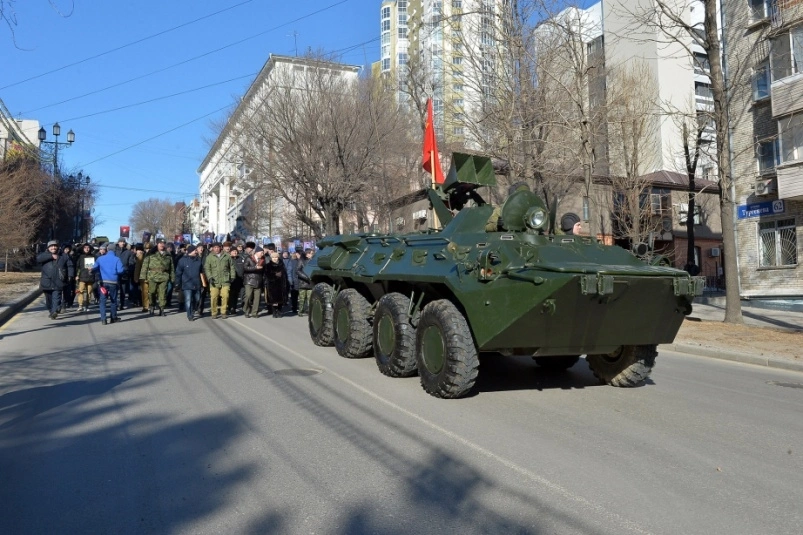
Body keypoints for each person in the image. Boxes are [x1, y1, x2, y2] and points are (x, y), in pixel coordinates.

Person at [37, 240, 73, 320]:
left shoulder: (64, 256)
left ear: (58, 247)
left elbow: (70, 266)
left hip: (59, 281)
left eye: (55, 246)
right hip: (47, 282)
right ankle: (51, 311)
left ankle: (54, 312)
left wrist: (70, 275)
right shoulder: (44, 255)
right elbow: (38, 259)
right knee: (49, 300)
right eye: (51, 246)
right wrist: (51, 256)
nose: (53, 247)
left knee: (56, 298)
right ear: (48, 248)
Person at [92, 243, 125, 325]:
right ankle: (113, 317)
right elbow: (120, 271)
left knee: (102, 301)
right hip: (113, 282)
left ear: (107, 250)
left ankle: (103, 319)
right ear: (114, 250)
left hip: (103, 283)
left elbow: (94, 268)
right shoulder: (117, 259)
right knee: (113, 301)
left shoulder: (100, 259)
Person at [142, 238, 175, 316]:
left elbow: (171, 267)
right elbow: (145, 265)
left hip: (164, 276)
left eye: (163, 243)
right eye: (160, 243)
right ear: (157, 244)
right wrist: (143, 276)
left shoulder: (168, 254)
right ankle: (152, 305)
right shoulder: (151, 253)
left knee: (162, 293)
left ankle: (162, 309)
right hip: (153, 276)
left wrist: (172, 277)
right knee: (152, 292)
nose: (162, 245)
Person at [203, 242, 235, 319]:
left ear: (220, 247)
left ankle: (223, 312)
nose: (216, 249)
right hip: (214, 280)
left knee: (225, 296)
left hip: (225, 280)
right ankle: (214, 312)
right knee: (214, 297)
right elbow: (207, 268)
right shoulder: (209, 257)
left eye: (218, 247)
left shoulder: (227, 256)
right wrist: (210, 277)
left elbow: (232, 267)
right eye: (215, 247)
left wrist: (233, 276)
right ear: (213, 248)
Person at [175, 244, 204, 321]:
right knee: (188, 300)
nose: (196, 251)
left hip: (197, 283)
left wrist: (203, 282)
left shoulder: (199, 260)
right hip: (186, 284)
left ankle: (194, 309)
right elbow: (178, 272)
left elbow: (202, 272)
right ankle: (189, 314)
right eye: (195, 250)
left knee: (197, 299)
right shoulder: (182, 260)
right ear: (191, 251)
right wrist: (177, 283)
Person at [242, 246, 265, 318]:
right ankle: (246, 310)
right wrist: (255, 267)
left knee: (257, 298)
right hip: (249, 280)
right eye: (261, 252)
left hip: (258, 280)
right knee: (248, 296)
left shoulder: (263, 260)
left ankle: (254, 312)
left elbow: (264, 270)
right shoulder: (249, 258)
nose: (262, 254)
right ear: (257, 252)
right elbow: (245, 268)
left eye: (263, 252)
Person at [113, 237, 135, 310]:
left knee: (123, 290)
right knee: (115, 290)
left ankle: (121, 304)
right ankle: (114, 304)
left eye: (123, 242)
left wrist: (127, 271)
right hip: (115, 274)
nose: (122, 243)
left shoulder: (128, 252)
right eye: (121, 242)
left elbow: (131, 263)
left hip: (124, 274)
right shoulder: (114, 251)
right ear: (118, 243)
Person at [75, 243, 96, 312]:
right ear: (83, 249)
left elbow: (97, 267)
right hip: (82, 277)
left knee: (89, 292)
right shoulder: (80, 257)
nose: (87, 249)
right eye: (85, 248)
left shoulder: (93, 257)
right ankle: (80, 305)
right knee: (80, 291)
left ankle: (87, 305)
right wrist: (77, 275)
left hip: (90, 277)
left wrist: (93, 269)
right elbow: (77, 267)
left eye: (88, 248)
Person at [264, 252, 285, 318]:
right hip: (272, 284)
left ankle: (279, 311)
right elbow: (267, 275)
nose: (275, 259)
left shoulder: (282, 264)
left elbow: (285, 274)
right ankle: (274, 311)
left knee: (281, 299)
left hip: (281, 284)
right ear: (271, 258)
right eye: (273, 257)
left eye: (276, 257)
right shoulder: (268, 265)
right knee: (274, 300)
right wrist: (275, 275)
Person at [228, 246, 245, 315]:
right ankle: (232, 307)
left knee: (240, 294)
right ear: (230, 253)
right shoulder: (228, 259)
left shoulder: (241, 259)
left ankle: (242, 307)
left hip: (241, 280)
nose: (235, 252)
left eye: (236, 251)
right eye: (233, 251)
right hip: (232, 280)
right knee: (232, 295)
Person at [297, 249, 313, 316]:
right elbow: (298, 271)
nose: (312, 254)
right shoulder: (301, 261)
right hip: (303, 282)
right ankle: (300, 311)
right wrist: (306, 277)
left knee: (310, 299)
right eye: (311, 253)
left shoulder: (313, 261)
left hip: (311, 283)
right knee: (302, 299)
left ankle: (309, 311)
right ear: (307, 254)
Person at [60, 244, 76, 310]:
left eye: (68, 249)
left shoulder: (70, 257)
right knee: (59, 291)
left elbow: (71, 267)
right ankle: (61, 304)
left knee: (67, 292)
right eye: (65, 249)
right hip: (60, 276)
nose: (67, 250)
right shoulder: (60, 256)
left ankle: (64, 303)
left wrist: (71, 275)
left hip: (67, 277)